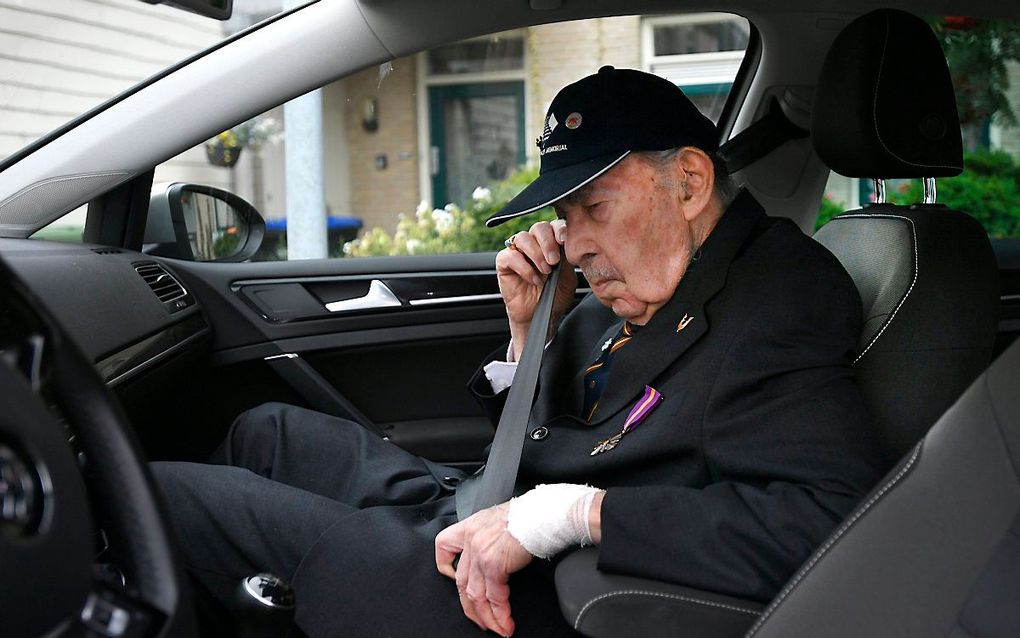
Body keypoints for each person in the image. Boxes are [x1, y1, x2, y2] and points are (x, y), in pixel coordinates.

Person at [152, 66, 884, 637]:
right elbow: (569, 433)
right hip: (482, 506)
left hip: (545, 598)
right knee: (264, 431)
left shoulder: (778, 296)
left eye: (595, 207)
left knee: (166, 502)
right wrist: (530, 336)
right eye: (567, 216)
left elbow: (828, 524)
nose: (577, 243)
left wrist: (572, 516)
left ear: (689, 181)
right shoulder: (662, 276)